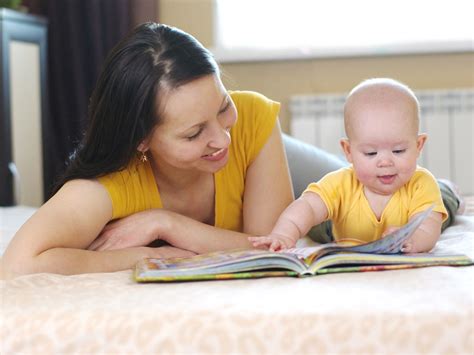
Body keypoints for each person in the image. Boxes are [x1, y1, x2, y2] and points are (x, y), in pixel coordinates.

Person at [2, 22, 295, 277]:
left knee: (338, 185)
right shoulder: (111, 184)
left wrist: (165, 224)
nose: (222, 140)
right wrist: (139, 256)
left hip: (297, 163)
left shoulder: (251, 117)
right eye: (194, 133)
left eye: (223, 107)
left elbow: (276, 248)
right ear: (141, 139)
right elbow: (17, 265)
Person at [250, 78, 452, 253]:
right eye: (371, 153)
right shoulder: (340, 183)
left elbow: (429, 228)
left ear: (418, 146)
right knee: (316, 227)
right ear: (348, 151)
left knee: (445, 206)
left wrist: (413, 239)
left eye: (398, 151)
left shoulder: (421, 184)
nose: (385, 162)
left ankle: (450, 190)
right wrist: (283, 234)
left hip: (429, 201)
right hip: (337, 229)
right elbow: (308, 207)